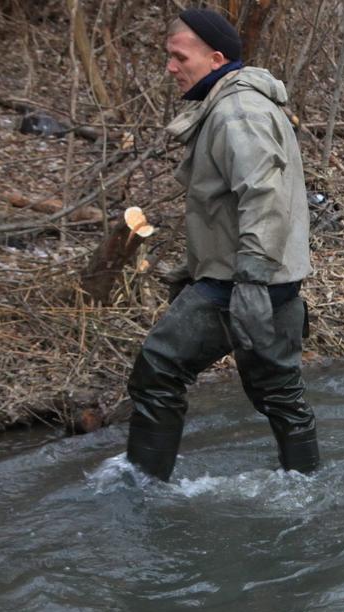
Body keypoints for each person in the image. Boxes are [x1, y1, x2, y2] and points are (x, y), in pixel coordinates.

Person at [125, 8, 318, 481]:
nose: (170, 67)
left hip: (243, 281)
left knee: (158, 372)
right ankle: (304, 486)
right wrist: (197, 269)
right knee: (279, 394)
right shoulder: (233, 103)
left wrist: (248, 281)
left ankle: (142, 490)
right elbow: (231, 205)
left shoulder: (237, 111)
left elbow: (263, 197)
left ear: (214, 59)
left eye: (178, 57)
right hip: (261, 277)